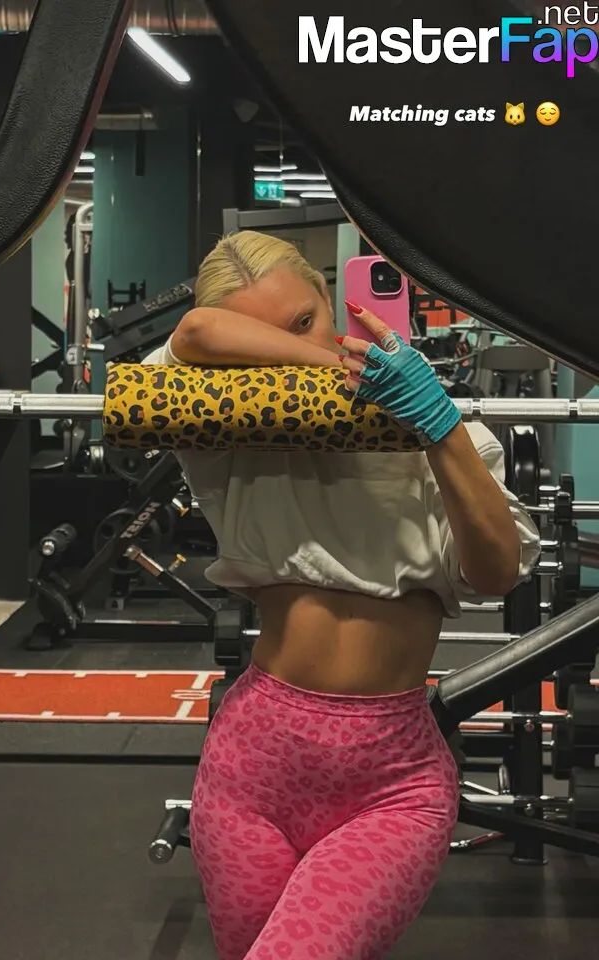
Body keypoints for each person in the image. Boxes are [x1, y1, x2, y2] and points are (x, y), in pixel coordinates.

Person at [143, 231, 540, 960]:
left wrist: (436, 420)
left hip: (391, 782)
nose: (289, 347)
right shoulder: (221, 425)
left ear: (331, 298)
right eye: (265, 340)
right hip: (251, 771)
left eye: (304, 320)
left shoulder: (435, 431)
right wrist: (325, 364)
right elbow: (196, 332)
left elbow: (496, 572)